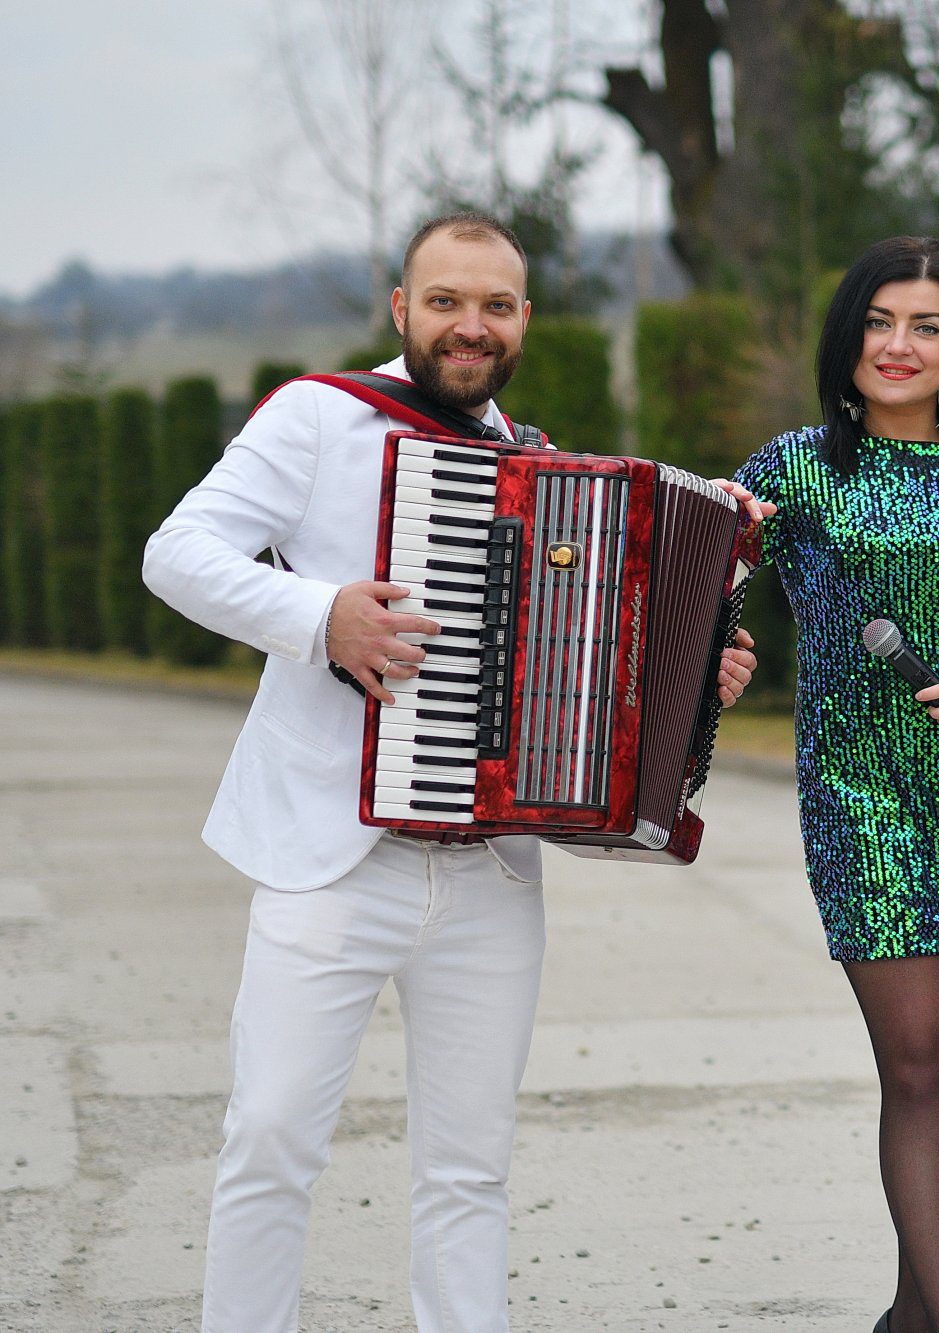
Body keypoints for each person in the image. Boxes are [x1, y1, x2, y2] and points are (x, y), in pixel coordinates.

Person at [142, 211, 762, 1333]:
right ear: (402, 309)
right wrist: (319, 616)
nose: (469, 326)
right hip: (332, 857)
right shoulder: (319, 418)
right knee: (272, 1137)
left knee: (469, 1167)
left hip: (490, 873)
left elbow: (586, 678)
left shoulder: (543, 469)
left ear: (523, 319)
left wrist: (688, 680)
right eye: (445, 302)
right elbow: (175, 554)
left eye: (494, 306)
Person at [732, 235, 939, 1333]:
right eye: (878, 322)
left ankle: (911, 1318)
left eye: (926, 326)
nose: (898, 344)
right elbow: (696, 573)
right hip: (859, 795)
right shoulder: (795, 468)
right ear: (848, 337)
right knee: (918, 1061)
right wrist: (720, 645)